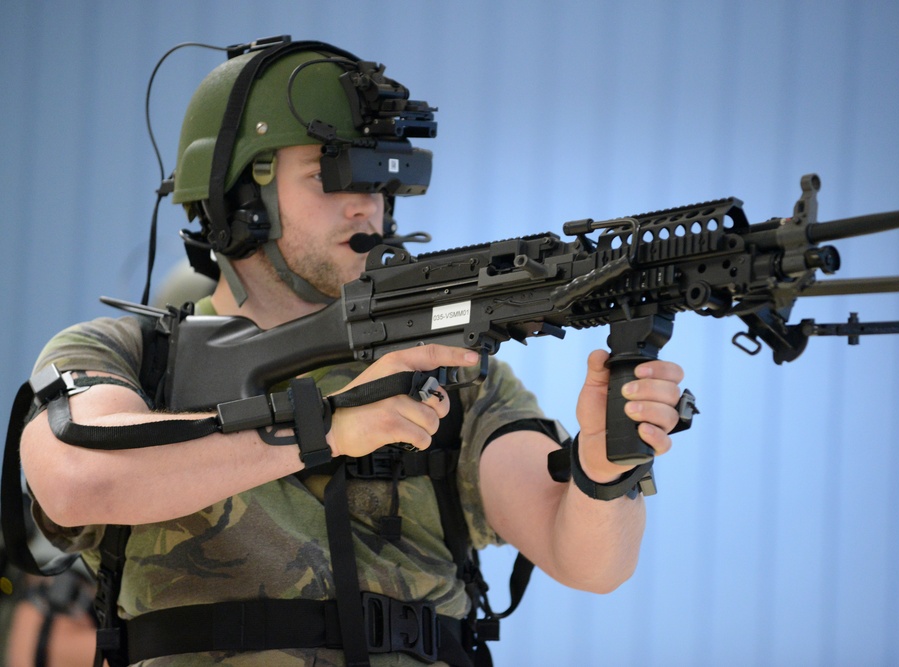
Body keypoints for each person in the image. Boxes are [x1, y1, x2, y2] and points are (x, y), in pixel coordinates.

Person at [16, 36, 686, 666]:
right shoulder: (133, 356)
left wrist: (603, 470)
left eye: (382, 182)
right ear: (241, 195)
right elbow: (77, 479)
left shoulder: (449, 375)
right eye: (332, 173)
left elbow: (591, 562)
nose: (367, 206)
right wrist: (325, 429)